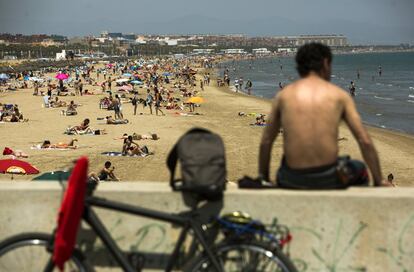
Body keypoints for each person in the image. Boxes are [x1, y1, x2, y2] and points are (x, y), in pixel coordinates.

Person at [258, 43, 391, 189]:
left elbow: (266, 141)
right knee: (359, 168)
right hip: (329, 178)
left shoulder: (283, 96)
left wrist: (263, 178)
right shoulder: (339, 96)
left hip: (291, 178)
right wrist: (378, 180)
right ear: (326, 63)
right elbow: (364, 140)